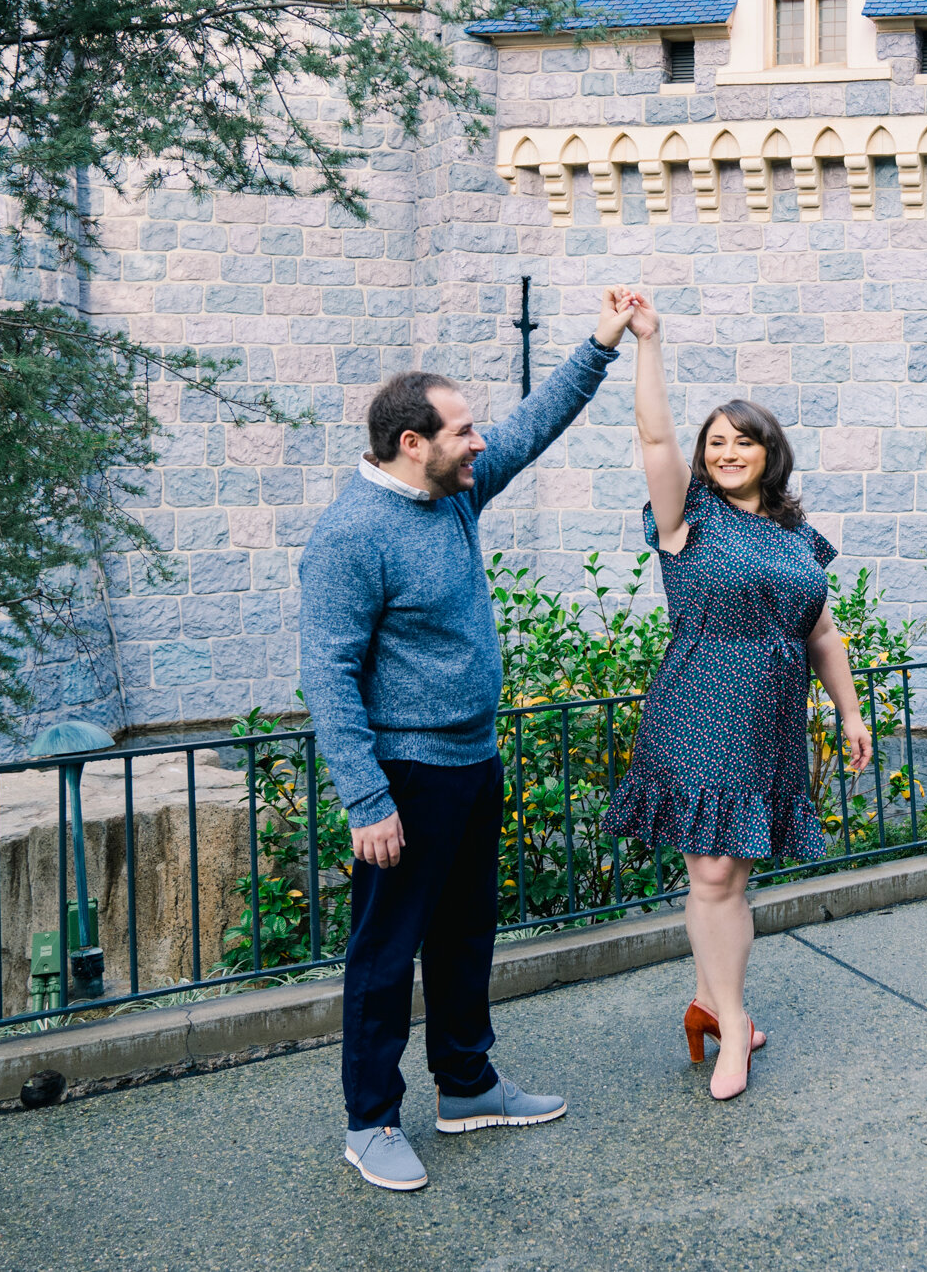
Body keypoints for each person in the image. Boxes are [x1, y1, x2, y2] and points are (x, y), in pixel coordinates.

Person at [299, 287, 634, 1192]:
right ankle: (369, 1122)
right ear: (414, 442)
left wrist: (600, 343)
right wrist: (366, 799)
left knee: (463, 936)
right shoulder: (350, 536)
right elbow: (327, 673)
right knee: (382, 955)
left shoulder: (451, 496)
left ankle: (467, 1085)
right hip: (404, 774)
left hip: (471, 761)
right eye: (462, 429)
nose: (479, 439)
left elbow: (532, 426)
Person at [600, 291, 871, 1101]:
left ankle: (713, 1004)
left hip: (770, 718)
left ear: (768, 452)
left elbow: (823, 632)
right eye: (714, 441)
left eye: (740, 440)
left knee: (732, 879)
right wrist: (648, 341)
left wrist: (851, 713)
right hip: (698, 705)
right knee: (712, 875)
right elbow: (655, 433)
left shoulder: (794, 534)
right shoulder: (687, 519)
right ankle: (733, 1024)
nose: (724, 451)